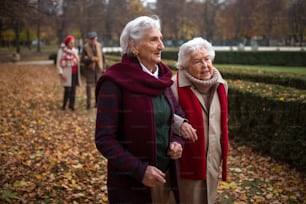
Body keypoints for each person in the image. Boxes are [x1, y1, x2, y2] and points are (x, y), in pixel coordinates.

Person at [95, 15, 190, 204]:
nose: (161, 46)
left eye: (161, 39)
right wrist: (140, 171)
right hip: (131, 184)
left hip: (166, 179)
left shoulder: (162, 78)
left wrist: (177, 142)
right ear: (134, 46)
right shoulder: (114, 82)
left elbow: (177, 115)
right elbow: (104, 139)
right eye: (154, 40)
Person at [171, 37, 229, 204]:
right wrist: (178, 124)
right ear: (185, 65)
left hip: (212, 159)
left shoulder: (221, 85)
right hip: (186, 160)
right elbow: (161, 116)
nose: (205, 65)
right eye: (197, 61)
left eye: (207, 59)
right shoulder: (173, 86)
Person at [56, 35, 82, 111]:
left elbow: (77, 60)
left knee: (73, 90)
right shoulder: (62, 51)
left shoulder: (75, 50)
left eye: (73, 43)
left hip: (74, 73)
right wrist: (61, 73)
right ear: (67, 43)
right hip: (66, 73)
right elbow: (58, 63)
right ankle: (64, 105)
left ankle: (72, 105)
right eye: (71, 43)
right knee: (67, 89)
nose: (72, 44)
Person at [81, 31, 104, 109]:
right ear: (89, 40)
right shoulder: (85, 47)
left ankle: (97, 103)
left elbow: (103, 57)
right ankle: (88, 104)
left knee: (98, 87)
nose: (93, 41)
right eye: (91, 39)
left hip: (98, 69)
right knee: (89, 87)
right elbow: (82, 59)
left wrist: (103, 67)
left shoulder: (99, 46)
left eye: (94, 39)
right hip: (89, 70)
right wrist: (91, 59)